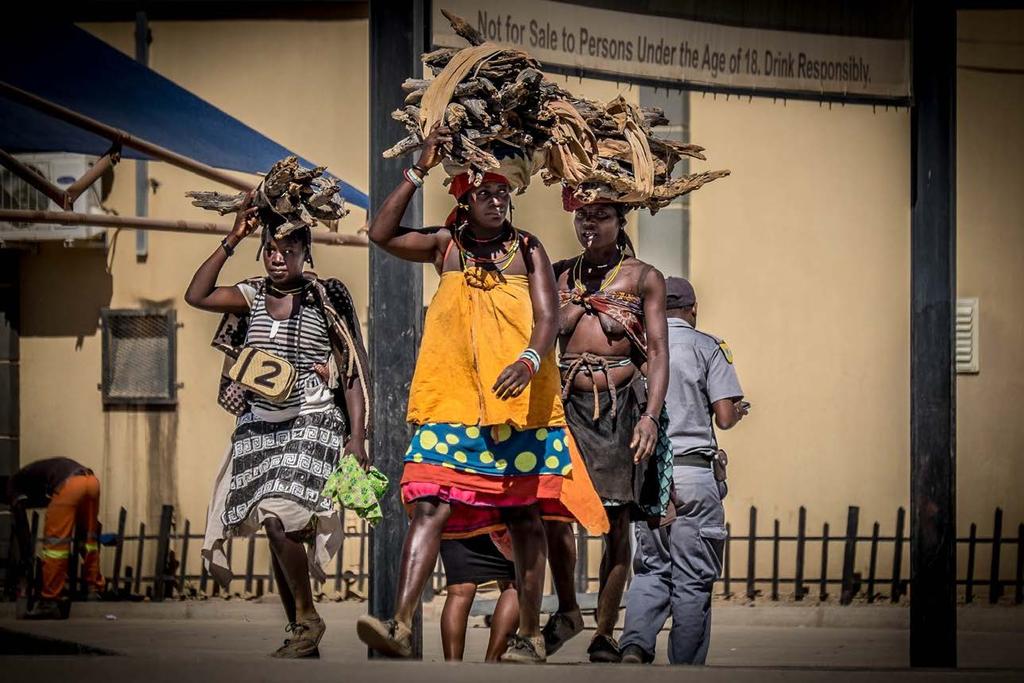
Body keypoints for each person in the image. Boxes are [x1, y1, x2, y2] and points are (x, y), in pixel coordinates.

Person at [355, 125, 606, 664]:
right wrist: (418, 169)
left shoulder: (527, 248)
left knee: (524, 515)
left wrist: (529, 359)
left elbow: (545, 317)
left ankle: (531, 635)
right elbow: (379, 233)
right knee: (429, 503)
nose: (496, 202)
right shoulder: (445, 247)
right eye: (485, 194)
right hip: (451, 406)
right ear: (464, 199)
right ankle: (399, 624)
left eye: (503, 193)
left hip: (522, 408)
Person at [185, 190, 370, 659]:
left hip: (313, 418)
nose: (278, 257)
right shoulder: (249, 295)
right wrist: (232, 239)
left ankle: (307, 618)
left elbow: (350, 372)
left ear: (306, 253)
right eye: (271, 249)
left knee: (279, 513)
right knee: (273, 521)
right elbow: (198, 294)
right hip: (260, 423)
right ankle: (299, 628)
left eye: (288, 250)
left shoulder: (323, 297)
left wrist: (357, 437)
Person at [544, 190, 670, 663]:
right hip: (566, 407)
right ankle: (569, 610)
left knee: (616, 523)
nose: (589, 224)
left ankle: (604, 631)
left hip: (620, 412)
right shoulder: (558, 274)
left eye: (600, 215)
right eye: (582, 216)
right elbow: (542, 333)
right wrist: (570, 308)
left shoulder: (643, 279)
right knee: (553, 512)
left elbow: (657, 353)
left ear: (621, 220)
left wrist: (651, 418)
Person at [619, 277, 747, 665]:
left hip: (650, 476)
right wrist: (738, 411)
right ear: (692, 310)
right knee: (692, 580)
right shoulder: (707, 347)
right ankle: (685, 670)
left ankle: (635, 647)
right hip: (694, 474)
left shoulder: (636, 349)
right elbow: (724, 417)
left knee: (651, 570)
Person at [4, 457, 104, 618]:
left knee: (55, 547)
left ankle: (50, 600)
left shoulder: (12, 485)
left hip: (69, 485)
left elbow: (21, 519)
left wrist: (26, 554)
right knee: (89, 539)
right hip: (90, 481)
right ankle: (94, 589)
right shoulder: (31, 475)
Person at [438, 533, 518, 662]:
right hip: (500, 520)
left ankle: (452, 667)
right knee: (513, 587)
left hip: (458, 521)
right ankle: (491, 664)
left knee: (459, 592)